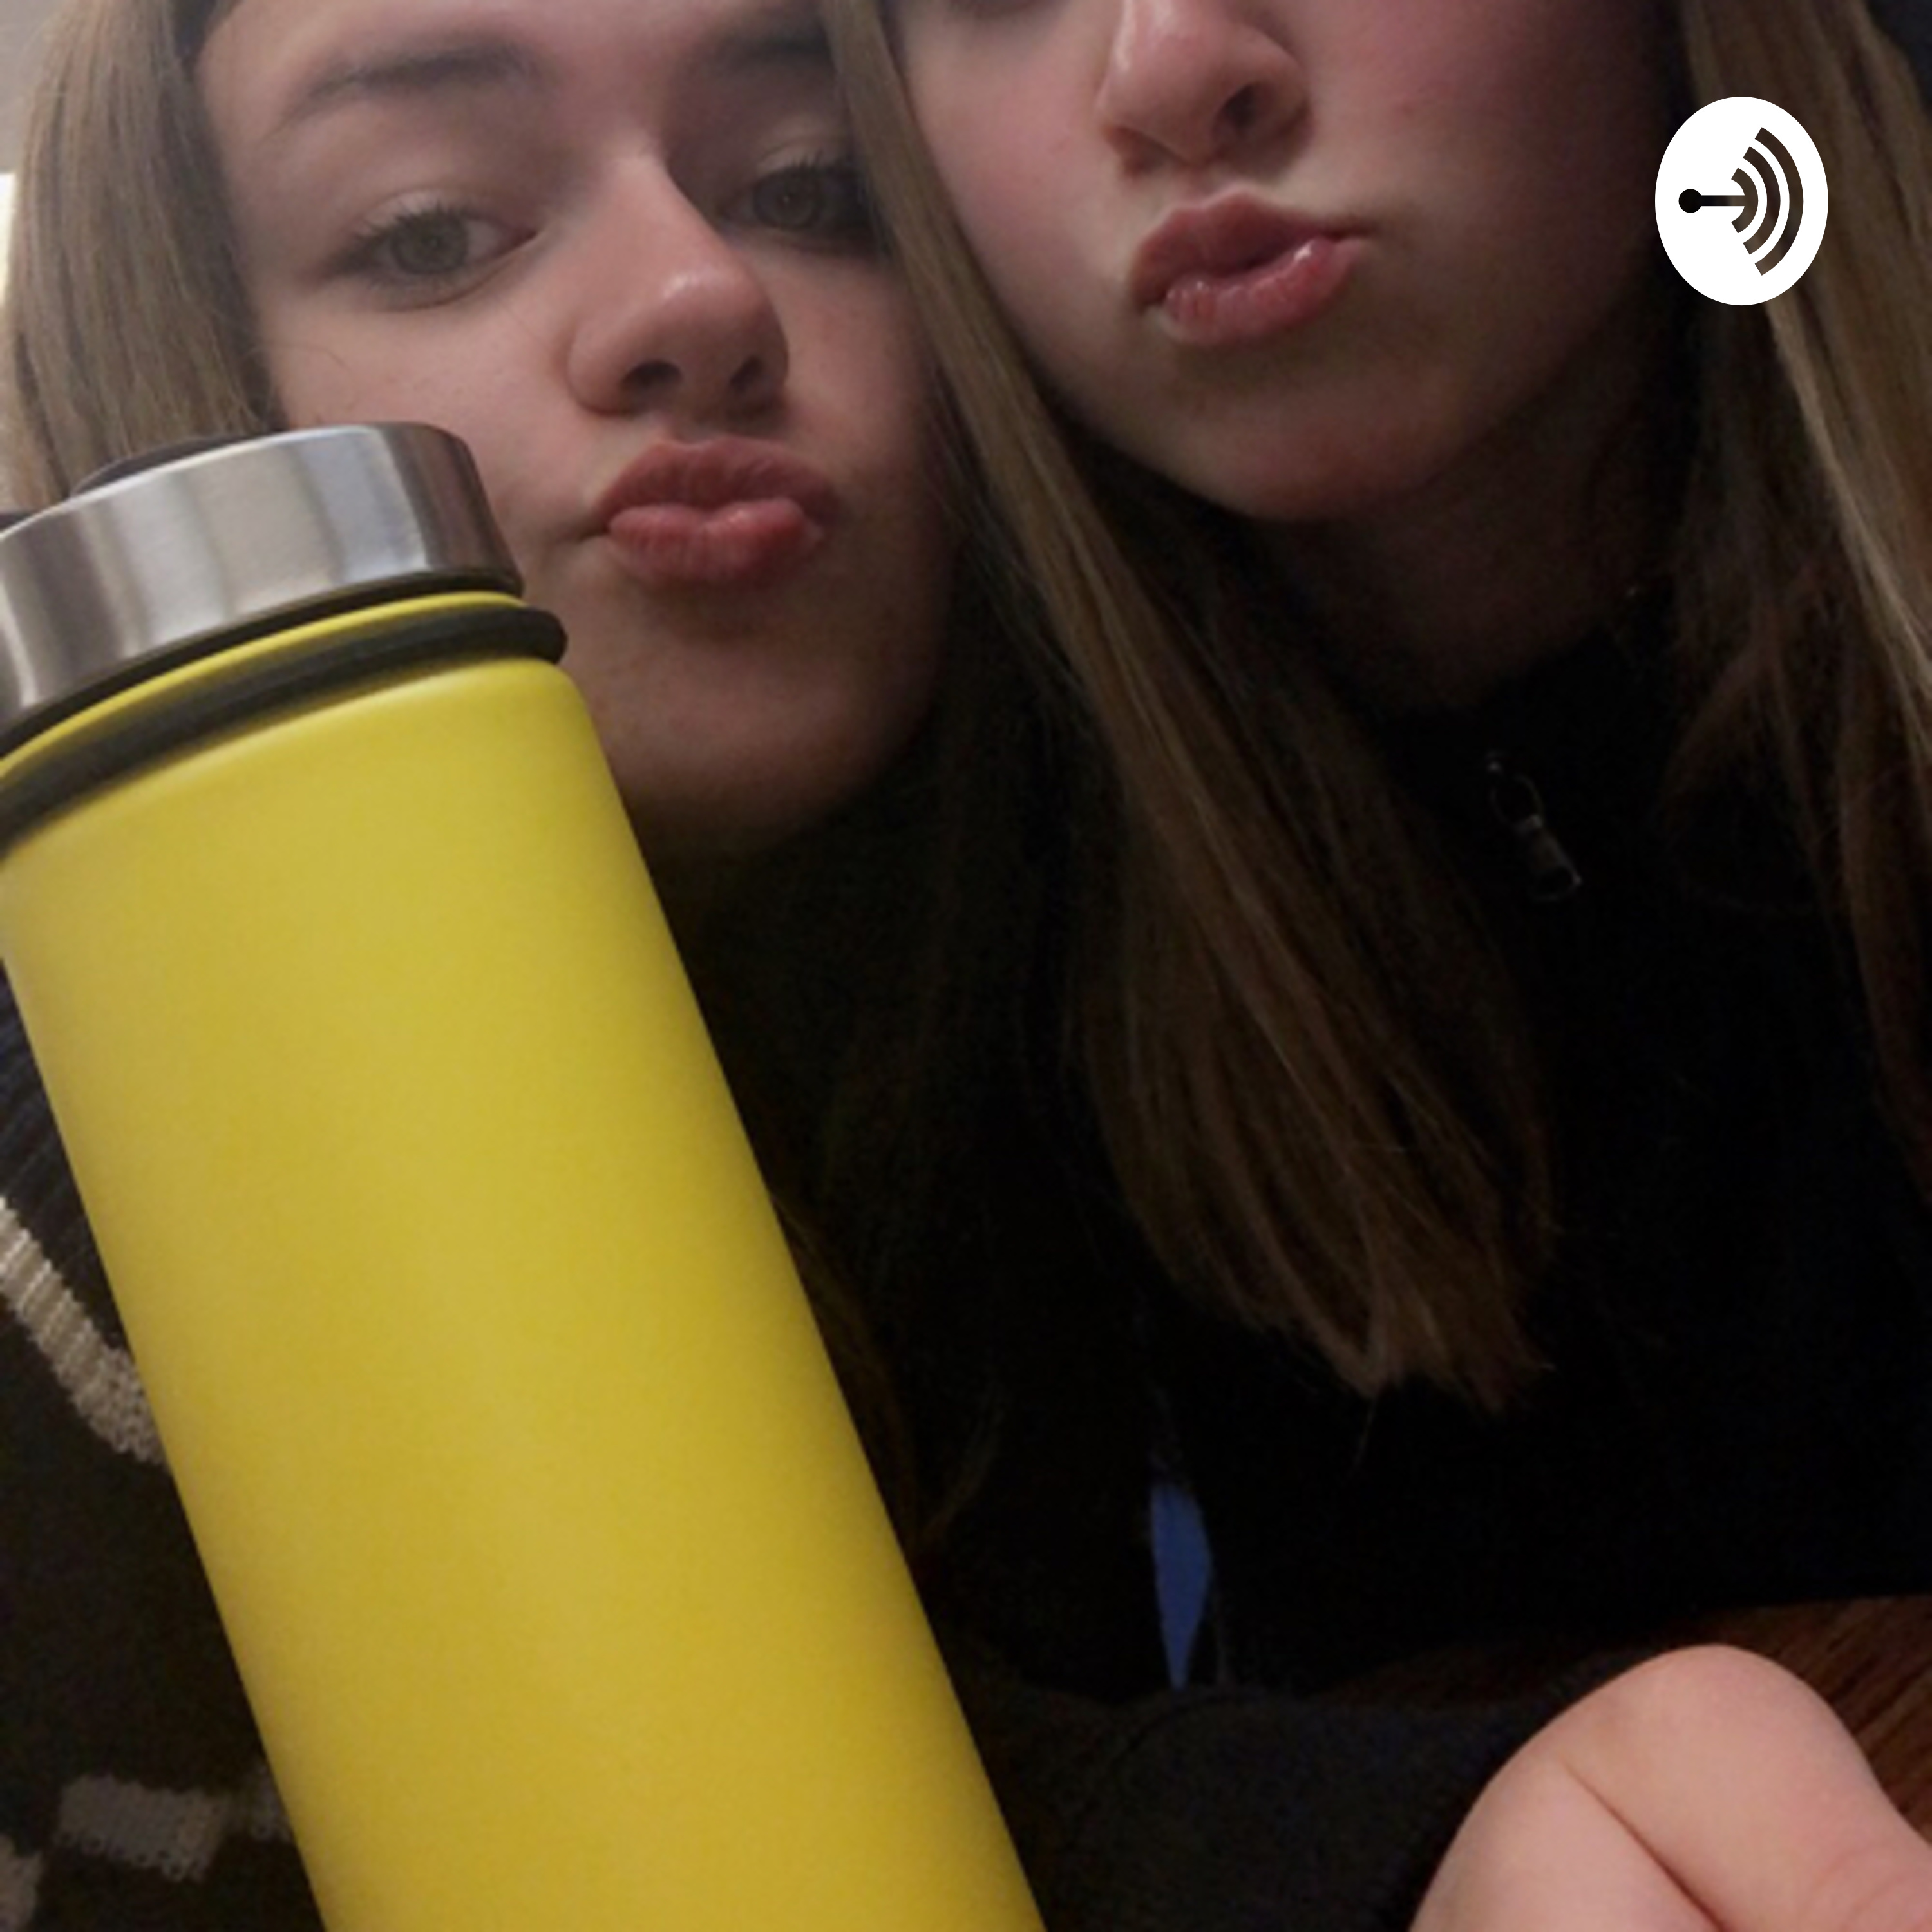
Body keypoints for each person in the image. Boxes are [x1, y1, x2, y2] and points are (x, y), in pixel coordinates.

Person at [5, 3, 1932, 1931]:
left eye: (808, 190)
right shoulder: (73, 1237)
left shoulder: (982, 1023)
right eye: (429, 231)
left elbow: (896, 1760)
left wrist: (1386, 1839)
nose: (699, 294)